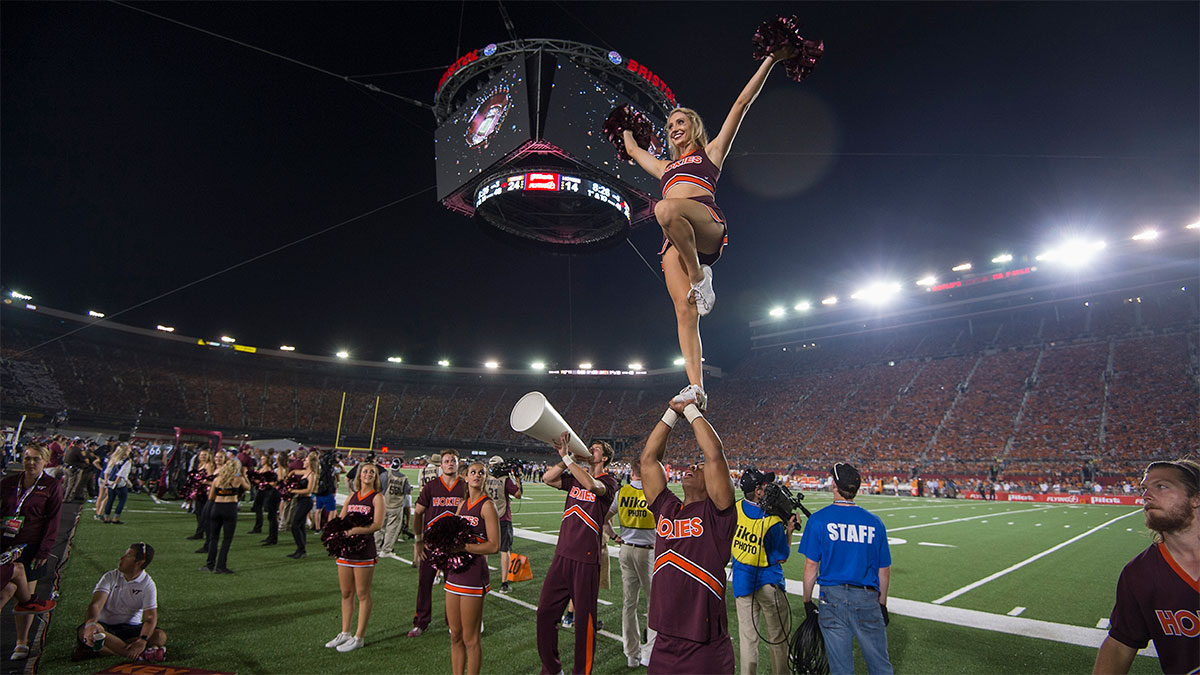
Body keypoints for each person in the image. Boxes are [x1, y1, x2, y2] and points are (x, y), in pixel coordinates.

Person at [621, 43, 799, 410]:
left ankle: (701, 277)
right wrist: (624, 132)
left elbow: (741, 104)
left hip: (704, 222)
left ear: (694, 126)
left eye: (680, 122)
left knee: (665, 209)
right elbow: (637, 153)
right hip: (675, 242)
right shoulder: (664, 168)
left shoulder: (712, 152)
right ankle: (697, 387)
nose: (674, 129)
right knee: (684, 312)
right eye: (669, 126)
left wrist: (771, 59)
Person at [640, 396, 737, 674]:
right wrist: (672, 412)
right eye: (693, 465)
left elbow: (714, 454)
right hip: (664, 639)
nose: (692, 467)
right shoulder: (667, 507)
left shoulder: (718, 512)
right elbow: (648, 459)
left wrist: (691, 409)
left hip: (704, 646)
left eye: (699, 466)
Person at [1093, 459, 1200, 675]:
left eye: (1161, 486)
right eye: (1145, 488)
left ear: (1196, 498)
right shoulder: (1139, 574)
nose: (1146, 495)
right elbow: (1120, 646)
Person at [536, 434, 619, 675]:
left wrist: (568, 459)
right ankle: (552, 669)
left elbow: (592, 486)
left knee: (585, 622)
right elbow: (547, 478)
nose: (589, 450)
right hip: (562, 555)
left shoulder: (610, 481)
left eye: (594, 449)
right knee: (545, 614)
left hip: (586, 559)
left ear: (604, 457)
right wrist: (567, 458)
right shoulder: (574, 478)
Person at [799, 463, 892, 675]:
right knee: (880, 666)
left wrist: (806, 599)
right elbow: (883, 571)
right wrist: (882, 604)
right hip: (867, 598)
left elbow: (811, 567)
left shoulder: (818, 520)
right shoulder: (875, 523)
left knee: (840, 669)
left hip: (832, 598)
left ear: (834, 485)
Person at [732, 469, 799, 675]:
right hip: (768, 583)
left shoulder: (736, 508)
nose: (769, 488)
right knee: (778, 639)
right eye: (764, 485)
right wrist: (788, 530)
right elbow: (782, 556)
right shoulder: (772, 520)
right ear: (758, 491)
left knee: (748, 640)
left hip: (742, 581)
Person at [2, 443, 64, 660]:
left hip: (31, 548)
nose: (30, 462)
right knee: (5, 592)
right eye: (27, 458)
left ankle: (21, 642)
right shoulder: (9, 483)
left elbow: (53, 521)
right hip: (5, 546)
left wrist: (44, 551)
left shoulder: (51, 485)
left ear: (45, 461)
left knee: (24, 597)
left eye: (36, 458)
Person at [445, 461, 500, 675]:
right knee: (455, 634)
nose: (477, 475)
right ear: (465, 477)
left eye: (481, 473)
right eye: (473, 472)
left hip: (474, 575)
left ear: (485, 478)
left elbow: (494, 545)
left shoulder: (487, 505)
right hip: (455, 573)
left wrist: (464, 547)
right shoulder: (462, 505)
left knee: (471, 637)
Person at [325, 461, 385, 653]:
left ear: (375, 478)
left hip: (364, 552)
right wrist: (333, 529)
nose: (368, 474)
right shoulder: (352, 496)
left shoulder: (377, 498)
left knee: (362, 594)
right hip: (346, 551)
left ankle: (359, 637)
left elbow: (377, 525)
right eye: (365, 471)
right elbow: (341, 520)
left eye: (372, 473)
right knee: (346, 593)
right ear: (359, 476)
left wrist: (354, 531)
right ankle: (345, 632)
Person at [603, 459, 657, 668]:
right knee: (653, 603)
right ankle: (649, 653)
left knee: (629, 603)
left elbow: (605, 518)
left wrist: (615, 535)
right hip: (647, 552)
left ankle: (631, 653)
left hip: (626, 549)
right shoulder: (653, 492)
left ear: (632, 473)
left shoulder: (622, 492)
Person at [73, 543, 166, 663]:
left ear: (139, 563)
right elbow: (95, 604)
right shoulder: (110, 577)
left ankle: (106, 650)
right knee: (91, 630)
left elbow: (150, 616)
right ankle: (136, 654)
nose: (121, 558)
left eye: (128, 555)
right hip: (105, 627)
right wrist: (90, 624)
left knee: (159, 636)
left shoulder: (148, 584)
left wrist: (142, 639)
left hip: (130, 628)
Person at [409, 449, 466, 637]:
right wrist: (418, 540)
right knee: (425, 583)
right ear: (441, 465)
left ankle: (453, 622)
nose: (450, 463)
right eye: (447, 461)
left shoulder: (465, 486)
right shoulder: (431, 486)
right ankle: (421, 622)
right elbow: (417, 513)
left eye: (453, 461)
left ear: (459, 464)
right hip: (431, 545)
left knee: (454, 586)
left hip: (455, 546)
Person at [201, 458, 251, 574]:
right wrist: (244, 474)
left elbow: (210, 498)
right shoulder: (238, 479)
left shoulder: (217, 480)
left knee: (214, 538)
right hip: (230, 508)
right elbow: (248, 487)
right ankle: (221, 566)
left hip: (216, 508)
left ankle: (209, 564)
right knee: (227, 539)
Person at [484, 455, 523, 593]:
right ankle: (504, 583)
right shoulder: (505, 480)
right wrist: (518, 478)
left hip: (487, 517)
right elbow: (518, 494)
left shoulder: (485, 479)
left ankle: (483, 578)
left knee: (485, 548)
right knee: (504, 550)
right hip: (503, 517)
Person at [378, 458, 413, 556]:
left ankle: (376, 548)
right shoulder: (404, 478)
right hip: (396, 506)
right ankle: (386, 550)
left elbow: (379, 488)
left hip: (384, 504)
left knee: (380, 527)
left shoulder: (384, 475)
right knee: (392, 528)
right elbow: (407, 491)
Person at [287, 453, 318, 559]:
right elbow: (295, 471)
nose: (304, 461)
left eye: (306, 460)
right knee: (300, 526)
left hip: (306, 501)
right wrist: (290, 474)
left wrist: (293, 490)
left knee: (294, 525)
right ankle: (301, 550)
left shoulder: (312, 475)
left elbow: (309, 490)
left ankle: (301, 548)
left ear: (310, 462)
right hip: (301, 500)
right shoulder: (305, 472)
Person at [102, 444, 134, 524]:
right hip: (119, 483)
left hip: (110, 481)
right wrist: (116, 482)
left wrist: (106, 480)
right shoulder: (127, 460)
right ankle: (115, 518)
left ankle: (106, 517)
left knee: (110, 499)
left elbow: (107, 471)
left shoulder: (114, 458)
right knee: (122, 500)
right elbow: (121, 473)